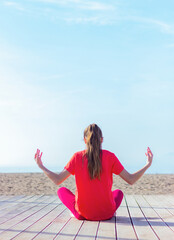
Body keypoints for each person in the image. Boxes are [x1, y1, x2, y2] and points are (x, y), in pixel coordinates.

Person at [34, 123, 153, 221]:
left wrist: (41, 166)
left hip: (83, 214)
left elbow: (57, 180)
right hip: (107, 214)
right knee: (118, 193)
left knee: (61, 191)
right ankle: (99, 210)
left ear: (85, 140)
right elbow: (131, 180)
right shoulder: (110, 156)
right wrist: (148, 164)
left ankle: (76, 213)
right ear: (101, 140)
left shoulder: (77, 157)